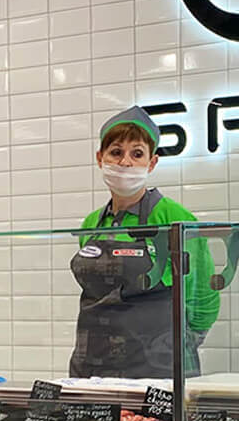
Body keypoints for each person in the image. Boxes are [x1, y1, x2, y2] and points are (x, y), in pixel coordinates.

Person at [69, 106, 218, 378]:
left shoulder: (174, 217)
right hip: (93, 367)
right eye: (116, 152)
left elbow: (203, 294)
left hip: (156, 369)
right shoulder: (92, 223)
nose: (125, 162)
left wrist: (183, 345)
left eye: (137, 154)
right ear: (100, 158)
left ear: (152, 163)